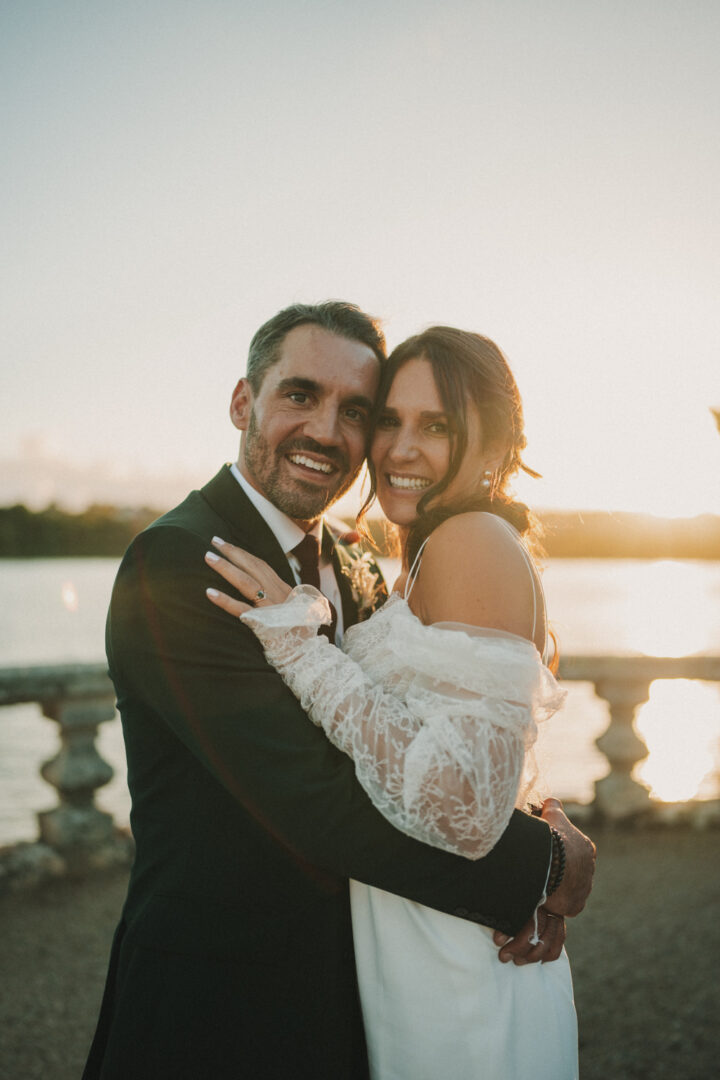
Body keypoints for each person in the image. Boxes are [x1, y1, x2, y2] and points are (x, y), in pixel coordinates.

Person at [83, 303, 595, 1080]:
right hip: (217, 1004)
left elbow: (438, 724)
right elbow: (317, 800)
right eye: (300, 395)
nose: (329, 431)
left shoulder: (356, 563)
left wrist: (537, 813)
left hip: (362, 987)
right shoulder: (179, 564)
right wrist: (540, 869)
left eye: (356, 411)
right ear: (242, 403)